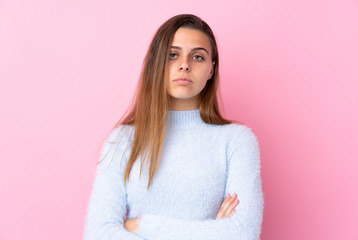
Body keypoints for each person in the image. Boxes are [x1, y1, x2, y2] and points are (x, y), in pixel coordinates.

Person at [83, 14, 264, 240]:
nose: (184, 65)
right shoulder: (123, 140)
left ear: (211, 69)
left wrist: (142, 226)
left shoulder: (237, 141)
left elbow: (242, 233)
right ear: (155, 63)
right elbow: (98, 233)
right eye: (172, 55)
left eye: (197, 57)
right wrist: (213, 231)